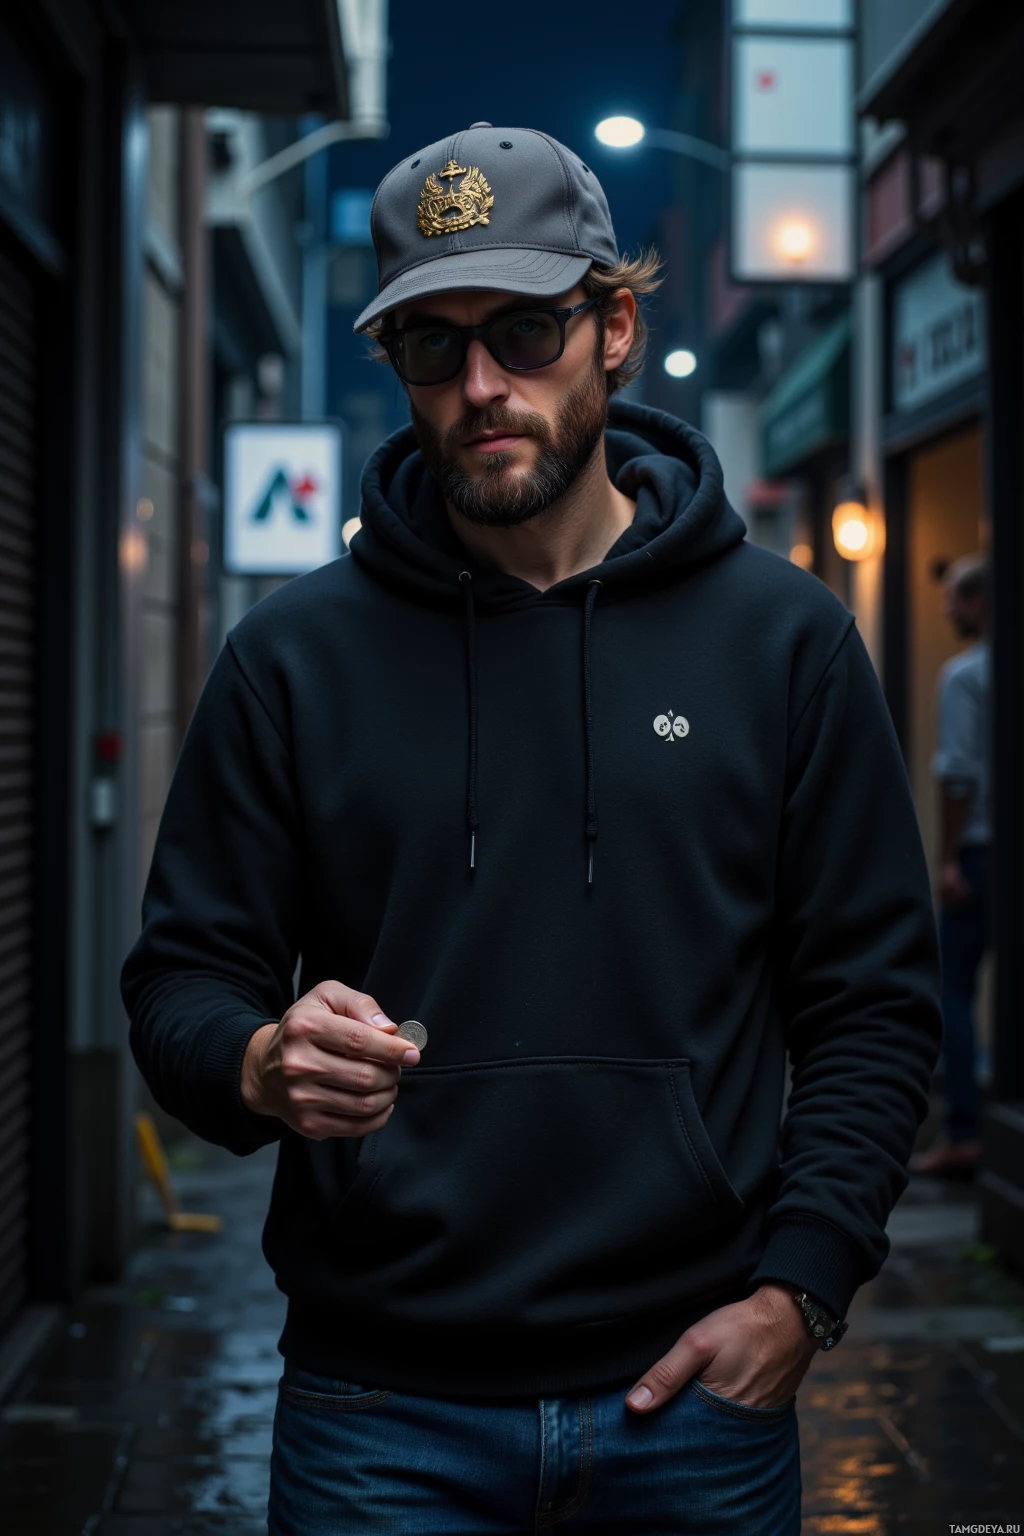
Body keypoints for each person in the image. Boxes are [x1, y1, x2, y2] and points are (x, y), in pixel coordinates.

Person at [122, 125, 942, 1534]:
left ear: (614, 326)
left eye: (524, 327)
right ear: (395, 366)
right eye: (433, 348)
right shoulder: (293, 658)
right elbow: (177, 986)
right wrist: (261, 1061)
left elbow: (870, 1000)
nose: (482, 386)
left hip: (694, 1409)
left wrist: (804, 1291)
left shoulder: (784, 643)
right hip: (378, 1421)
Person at [911, 554, 990, 1177]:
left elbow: (957, 775)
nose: (947, 609)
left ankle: (964, 1129)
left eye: (958, 597)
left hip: (980, 854)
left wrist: (947, 858)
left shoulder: (965, 677)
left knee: (952, 988)